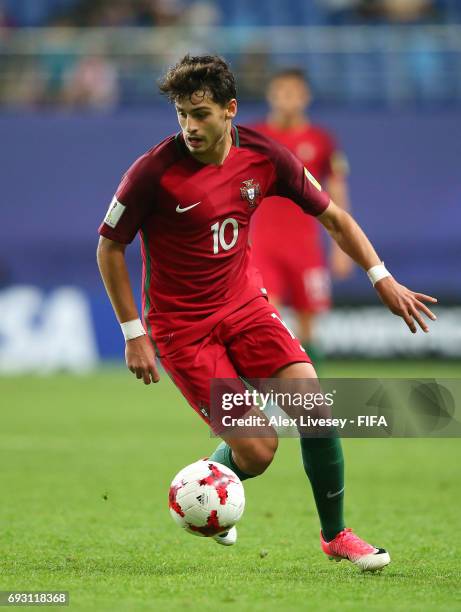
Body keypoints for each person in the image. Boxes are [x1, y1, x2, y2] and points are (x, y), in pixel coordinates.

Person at [97, 54, 437, 571]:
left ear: (230, 110)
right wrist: (132, 332)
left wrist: (380, 277)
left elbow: (335, 217)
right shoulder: (152, 172)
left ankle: (336, 535)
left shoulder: (264, 157)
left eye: (202, 113)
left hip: (246, 307)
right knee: (259, 450)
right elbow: (109, 248)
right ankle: (207, 488)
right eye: (182, 114)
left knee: (316, 409)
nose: (190, 126)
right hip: (185, 331)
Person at [250, 68, 353, 362]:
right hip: (263, 246)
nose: (287, 98)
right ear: (271, 95)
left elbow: (337, 194)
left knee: (309, 325)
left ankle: (308, 397)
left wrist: (342, 248)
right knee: (269, 320)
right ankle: (273, 398)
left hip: (306, 248)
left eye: (294, 92)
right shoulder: (254, 137)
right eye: (281, 91)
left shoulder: (322, 140)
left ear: (305, 96)